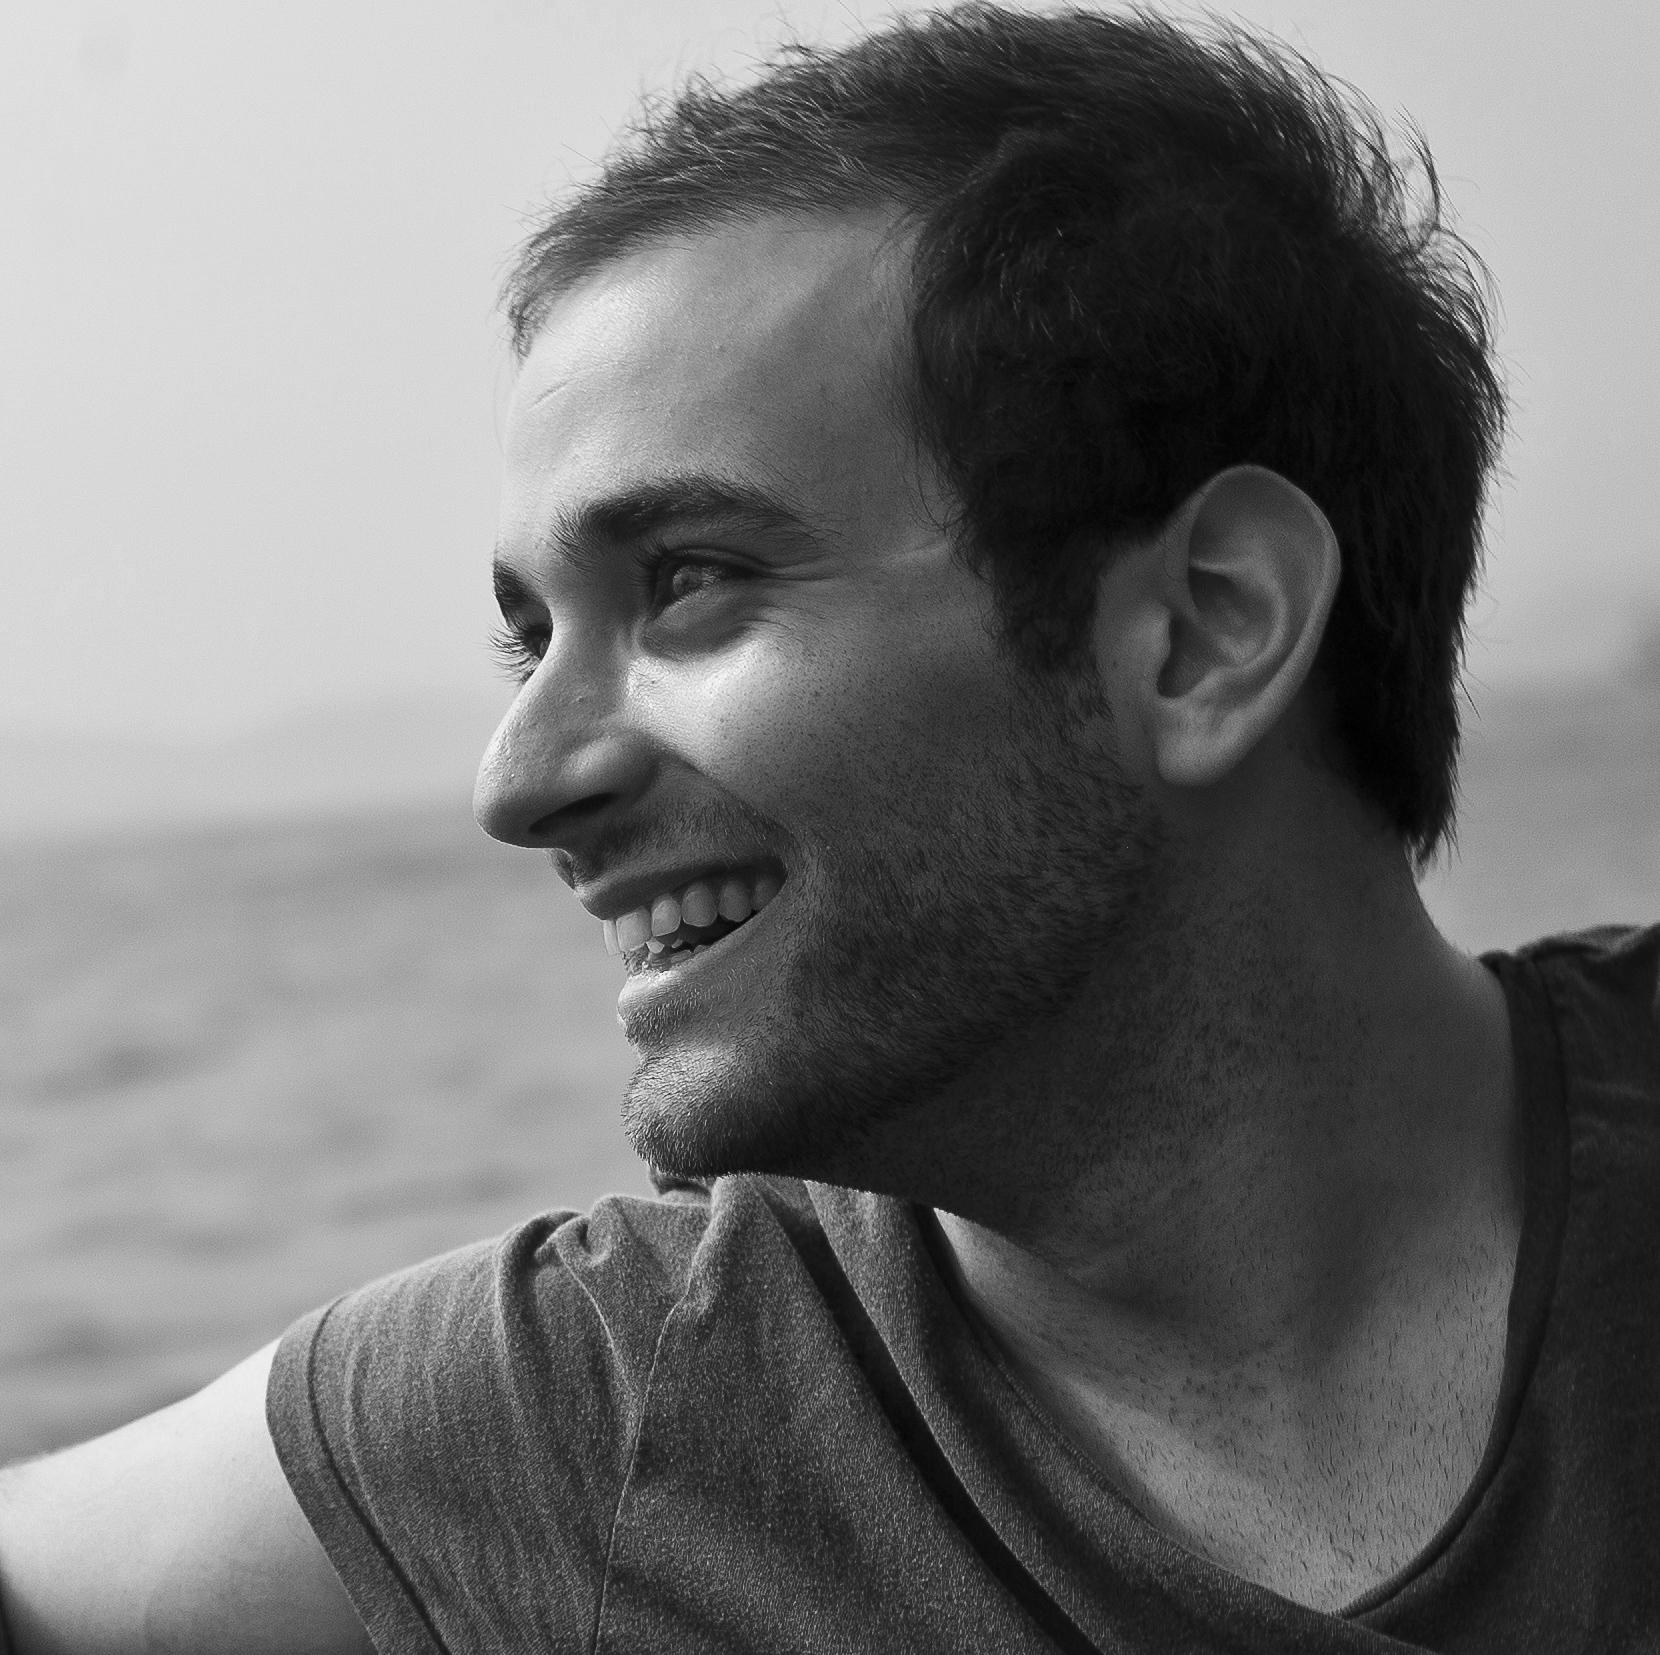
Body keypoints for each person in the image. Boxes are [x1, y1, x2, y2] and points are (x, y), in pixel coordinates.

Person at [2, 4, 1656, 1650]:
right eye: (531, 637)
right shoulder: (598, 1410)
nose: (520, 781)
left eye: (690, 585)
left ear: (1208, 627)